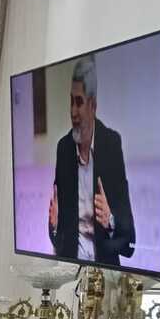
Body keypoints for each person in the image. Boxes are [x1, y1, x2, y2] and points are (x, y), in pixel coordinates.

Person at [48, 54, 135, 265]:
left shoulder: (111, 145)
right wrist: (55, 226)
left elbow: (129, 240)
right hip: (71, 268)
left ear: (93, 106)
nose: (73, 112)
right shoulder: (64, 148)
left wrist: (110, 219)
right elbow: (58, 237)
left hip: (104, 270)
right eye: (71, 101)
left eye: (79, 102)